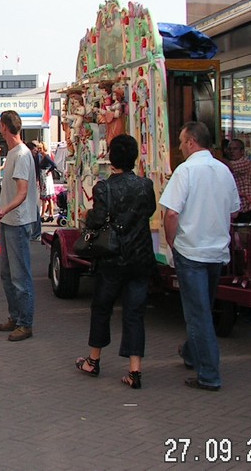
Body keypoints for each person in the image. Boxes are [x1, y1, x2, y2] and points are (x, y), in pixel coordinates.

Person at [159, 122, 239, 391]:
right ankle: (192, 354)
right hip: (216, 251)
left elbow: (171, 213)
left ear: (191, 142)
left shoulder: (186, 171)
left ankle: (209, 374)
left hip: (191, 250)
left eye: (182, 142)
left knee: (198, 314)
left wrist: (171, 241)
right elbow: (234, 211)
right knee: (203, 307)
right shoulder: (224, 171)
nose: (180, 147)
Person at [74, 135, 157, 388]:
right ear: (134, 157)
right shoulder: (145, 185)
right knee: (135, 313)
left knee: (102, 308)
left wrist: (87, 214)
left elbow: (98, 219)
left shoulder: (103, 188)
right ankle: (134, 370)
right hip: (140, 257)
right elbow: (149, 211)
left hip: (112, 258)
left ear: (111, 158)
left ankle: (93, 360)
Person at [0, 110, 38, 342]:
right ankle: (15, 316)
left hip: (18, 222)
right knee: (7, 274)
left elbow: (22, 192)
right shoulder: (13, 153)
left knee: (20, 277)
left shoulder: (21, 154)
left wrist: (5, 210)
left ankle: (25, 323)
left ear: (3, 127)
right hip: (9, 221)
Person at [224, 139, 251, 223]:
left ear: (242, 151)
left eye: (235, 149)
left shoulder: (245, 163)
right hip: (236, 210)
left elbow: (230, 166)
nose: (231, 152)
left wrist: (214, 156)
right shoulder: (227, 167)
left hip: (247, 210)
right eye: (229, 149)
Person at [37, 141, 58, 222]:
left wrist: (49, 171)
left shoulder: (46, 156)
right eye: (38, 148)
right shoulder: (42, 156)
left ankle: (43, 215)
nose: (39, 150)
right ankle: (50, 214)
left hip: (46, 177)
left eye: (40, 148)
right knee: (48, 198)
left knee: (46, 197)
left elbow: (54, 165)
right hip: (44, 177)